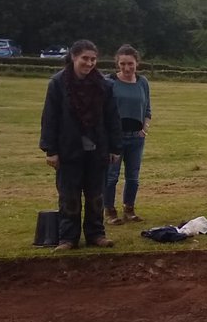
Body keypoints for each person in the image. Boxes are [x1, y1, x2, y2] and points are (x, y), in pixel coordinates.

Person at [39, 39, 123, 251]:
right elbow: (50, 118)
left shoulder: (104, 85)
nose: (89, 63)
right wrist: (51, 150)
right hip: (68, 150)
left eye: (93, 59)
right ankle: (68, 238)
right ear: (73, 57)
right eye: (85, 58)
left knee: (96, 195)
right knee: (69, 195)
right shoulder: (57, 84)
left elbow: (112, 118)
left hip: (98, 150)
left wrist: (115, 148)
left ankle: (96, 234)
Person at [104, 44, 152, 225]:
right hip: (114, 138)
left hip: (136, 138)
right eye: (122, 64)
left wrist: (144, 129)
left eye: (130, 63)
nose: (126, 68)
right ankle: (109, 211)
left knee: (133, 177)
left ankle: (129, 209)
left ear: (137, 63)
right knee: (111, 177)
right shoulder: (109, 82)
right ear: (117, 63)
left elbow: (147, 109)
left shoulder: (142, 82)